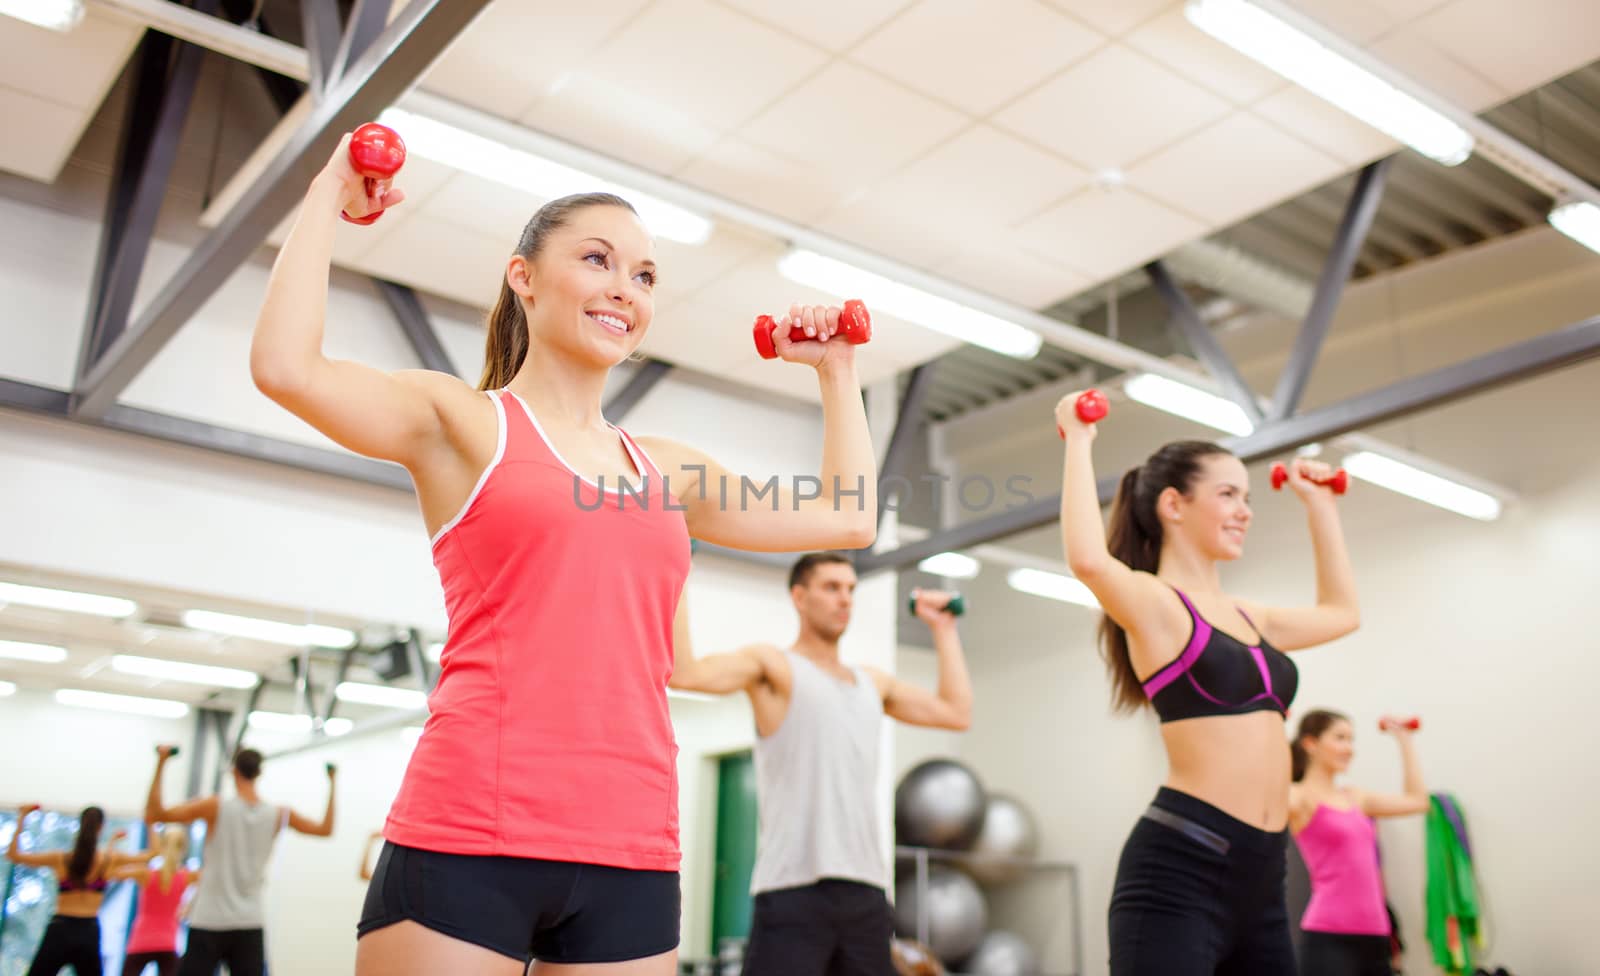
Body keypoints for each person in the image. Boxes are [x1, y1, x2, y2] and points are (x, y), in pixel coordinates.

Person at [251, 133, 877, 975]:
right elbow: (287, 369)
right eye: (598, 259)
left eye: (645, 275)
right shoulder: (464, 425)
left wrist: (837, 373)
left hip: (633, 850)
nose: (626, 287)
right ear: (525, 277)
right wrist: (330, 190)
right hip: (472, 831)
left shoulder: (669, 470)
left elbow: (849, 516)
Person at [1055, 394, 1360, 976]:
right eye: (1227, 495)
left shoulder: (1251, 617)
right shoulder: (1157, 606)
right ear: (1174, 504)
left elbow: (1343, 612)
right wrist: (1078, 438)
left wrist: (1319, 505)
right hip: (1181, 872)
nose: (1244, 510)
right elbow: (1089, 560)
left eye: (1246, 498)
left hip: (1264, 878)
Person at [669, 553, 972, 976]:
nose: (845, 599)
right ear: (799, 596)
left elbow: (955, 713)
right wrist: (678, 568)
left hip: (867, 894)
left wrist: (943, 629)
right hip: (793, 891)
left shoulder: (873, 682)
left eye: (850, 589)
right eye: (831, 588)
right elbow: (686, 675)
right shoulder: (773, 666)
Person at [144, 746, 335, 976]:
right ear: (258, 774)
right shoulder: (278, 814)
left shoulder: (215, 806)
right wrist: (333, 782)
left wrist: (162, 761)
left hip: (209, 920)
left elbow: (155, 814)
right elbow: (325, 829)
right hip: (249, 921)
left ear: (234, 772)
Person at [1290, 710, 1427, 976]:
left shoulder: (1356, 798)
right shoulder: (1298, 796)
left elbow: (1418, 801)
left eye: (1351, 740)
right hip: (1329, 935)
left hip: (1376, 933)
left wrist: (1404, 740)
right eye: (1340, 738)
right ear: (1310, 743)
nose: (1349, 748)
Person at [6, 804, 150, 976]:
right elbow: (151, 855)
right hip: (87, 930)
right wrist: (150, 822)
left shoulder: (60, 858)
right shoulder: (107, 860)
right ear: (101, 826)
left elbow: (14, 855)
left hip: (60, 929)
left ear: (80, 824)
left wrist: (22, 817)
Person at [113, 824, 202, 976]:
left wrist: (113, 844)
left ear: (161, 845)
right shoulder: (186, 876)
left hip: (141, 941)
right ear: (184, 848)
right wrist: (189, 906)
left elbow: (112, 873)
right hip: (168, 943)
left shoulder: (146, 874)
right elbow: (210, 880)